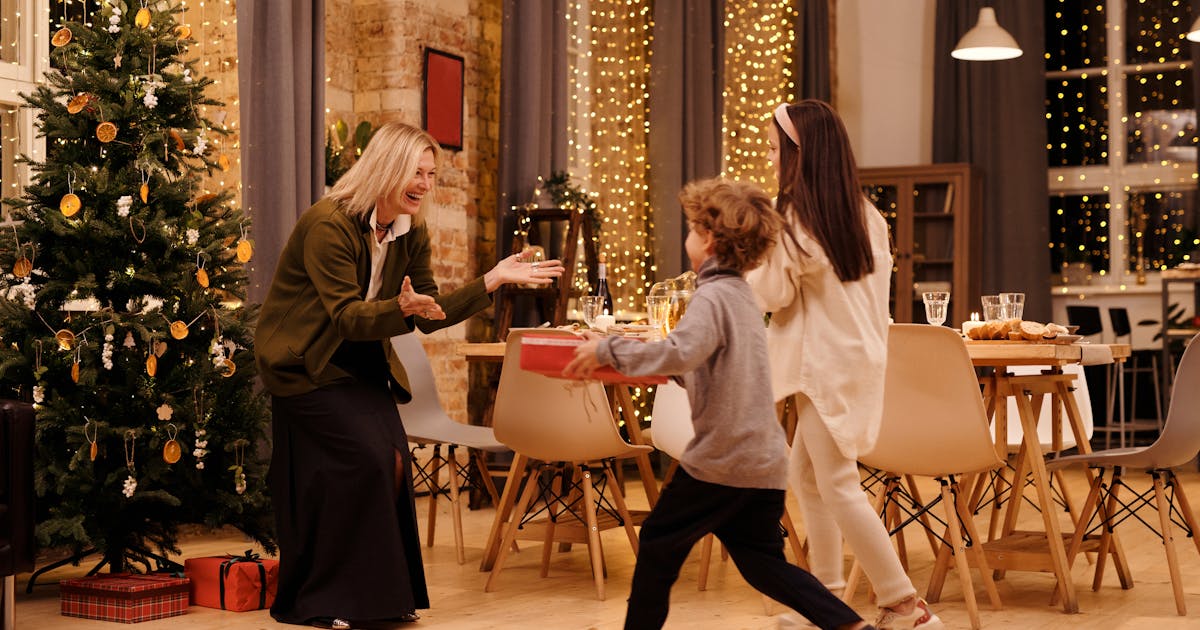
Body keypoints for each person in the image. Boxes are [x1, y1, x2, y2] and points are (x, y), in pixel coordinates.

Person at [255, 122, 564, 629]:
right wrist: (401, 309)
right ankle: (324, 600)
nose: (424, 184)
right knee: (366, 460)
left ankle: (379, 598)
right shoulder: (329, 224)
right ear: (386, 168)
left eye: (431, 174)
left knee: (393, 462)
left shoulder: (409, 230)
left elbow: (429, 312)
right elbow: (345, 317)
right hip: (304, 362)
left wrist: (493, 280)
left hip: (358, 361)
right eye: (415, 172)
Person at [564, 178, 875, 630]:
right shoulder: (742, 296)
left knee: (657, 540)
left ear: (709, 239)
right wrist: (627, 359)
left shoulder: (712, 296)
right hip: (762, 460)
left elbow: (681, 353)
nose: (687, 237)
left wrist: (608, 350)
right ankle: (850, 625)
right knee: (761, 562)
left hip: (723, 459)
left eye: (691, 229)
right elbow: (708, 367)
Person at [745, 100, 942, 630]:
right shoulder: (863, 213)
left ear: (799, 153)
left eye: (774, 149)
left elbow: (771, 293)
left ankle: (906, 607)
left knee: (835, 482)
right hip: (854, 358)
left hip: (822, 363)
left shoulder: (796, 217)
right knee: (808, 476)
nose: (769, 159)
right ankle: (827, 602)